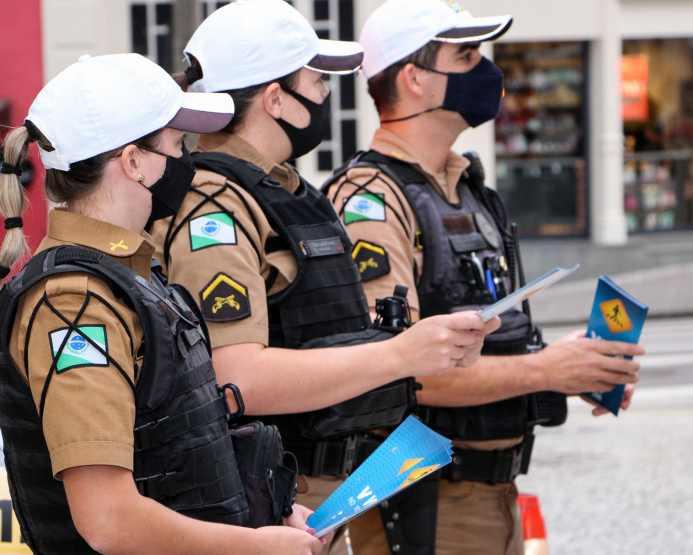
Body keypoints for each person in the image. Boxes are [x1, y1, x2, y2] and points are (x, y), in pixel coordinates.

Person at [150, 2, 499, 553]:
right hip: (270, 503)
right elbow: (235, 378)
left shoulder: (283, 190)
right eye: (316, 81)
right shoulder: (213, 208)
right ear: (274, 99)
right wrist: (400, 355)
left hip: (327, 494)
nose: (327, 96)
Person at [323, 1, 645, 553]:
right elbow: (397, 371)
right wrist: (545, 370)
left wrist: (574, 368)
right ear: (416, 79)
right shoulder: (369, 202)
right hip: (424, 505)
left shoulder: (470, 190)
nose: (486, 70)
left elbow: (496, 338)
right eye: (467, 55)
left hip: (496, 496)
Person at [0, 53, 328, 555]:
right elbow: (108, 519)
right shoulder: (73, 303)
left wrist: (272, 512)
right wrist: (254, 548)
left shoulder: (132, 276)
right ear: (134, 162)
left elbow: (182, 450)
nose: (189, 160)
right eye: (177, 144)